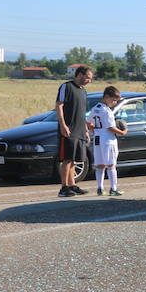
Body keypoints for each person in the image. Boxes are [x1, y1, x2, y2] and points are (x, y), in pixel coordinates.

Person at [55, 65, 93, 197]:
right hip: (69, 130)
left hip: (80, 131)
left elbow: (82, 113)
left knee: (74, 160)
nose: (89, 81)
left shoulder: (83, 91)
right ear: (80, 75)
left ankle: (72, 185)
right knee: (67, 159)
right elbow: (59, 105)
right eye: (88, 78)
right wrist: (63, 125)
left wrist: (86, 130)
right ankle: (64, 188)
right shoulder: (66, 87)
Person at [86, 86, 127, 196]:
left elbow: (88, 122)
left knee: (100, 165)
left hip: (98, 139)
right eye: (114, 100)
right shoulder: (107, 111)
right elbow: (110, 127)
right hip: (108, 140)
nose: (115, 103)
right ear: (107, 97)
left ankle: (100, 188)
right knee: (111, 165)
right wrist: (122, 132)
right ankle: (113, 188)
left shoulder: (95, 108)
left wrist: (93, 130)